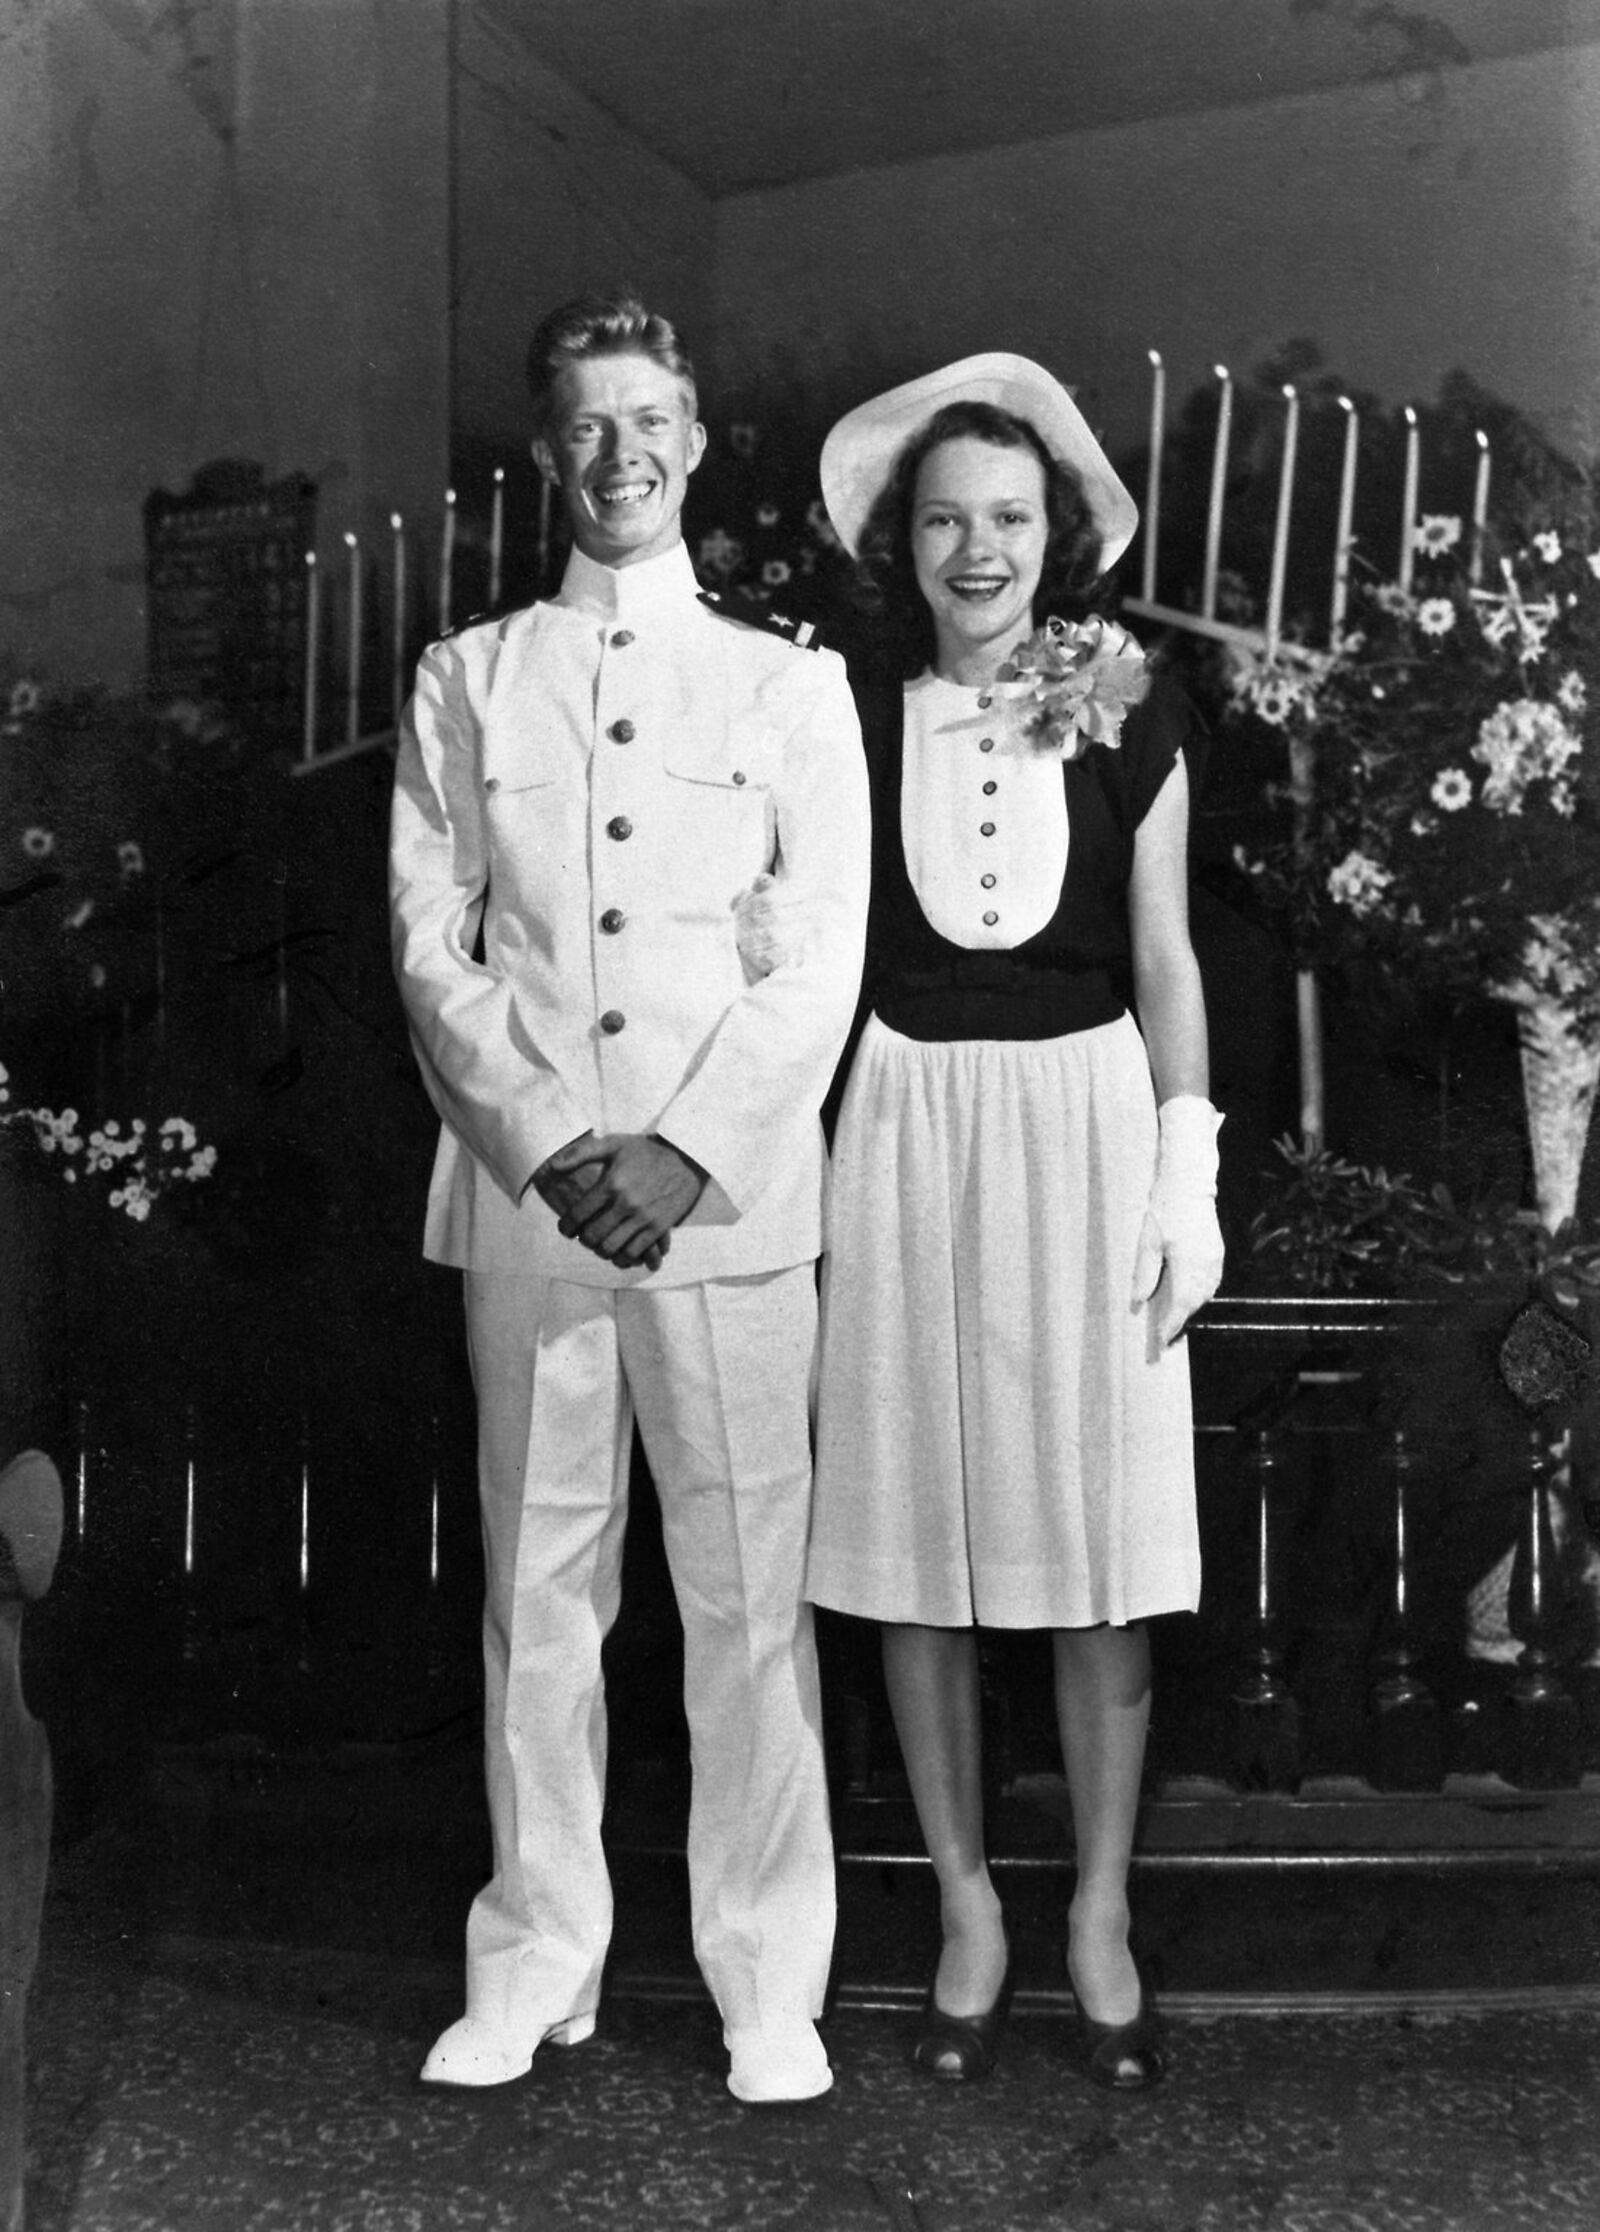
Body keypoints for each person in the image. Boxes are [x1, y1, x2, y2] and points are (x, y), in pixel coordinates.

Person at [388, 291, 870, 2106]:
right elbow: (437, 951)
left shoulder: (785, 685)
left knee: (749, 1601)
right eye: (587, 426)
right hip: (532, 1210)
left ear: (693, 439)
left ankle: (767, 1982)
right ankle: (535, 1962)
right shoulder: (469, 677)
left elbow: (818, 949)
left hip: (723, 1209)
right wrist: (544, 1141)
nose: (621, 454)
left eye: (649, 421)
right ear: (546, 454)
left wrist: (689, 1147)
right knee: (538, 1593)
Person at [804, 354, 1223, 2090]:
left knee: (1095, 1554)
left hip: (1086, 1122)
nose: (979, 550)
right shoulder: (836, 710)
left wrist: (1186, 1165)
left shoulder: (1132, 710)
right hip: (904, 1121)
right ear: (902, 543)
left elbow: (1165, 953)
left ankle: (1099, 1913)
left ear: (1060, 539)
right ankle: (970, 1906)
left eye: (1011, 518)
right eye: (946, 520)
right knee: (915, 1539)